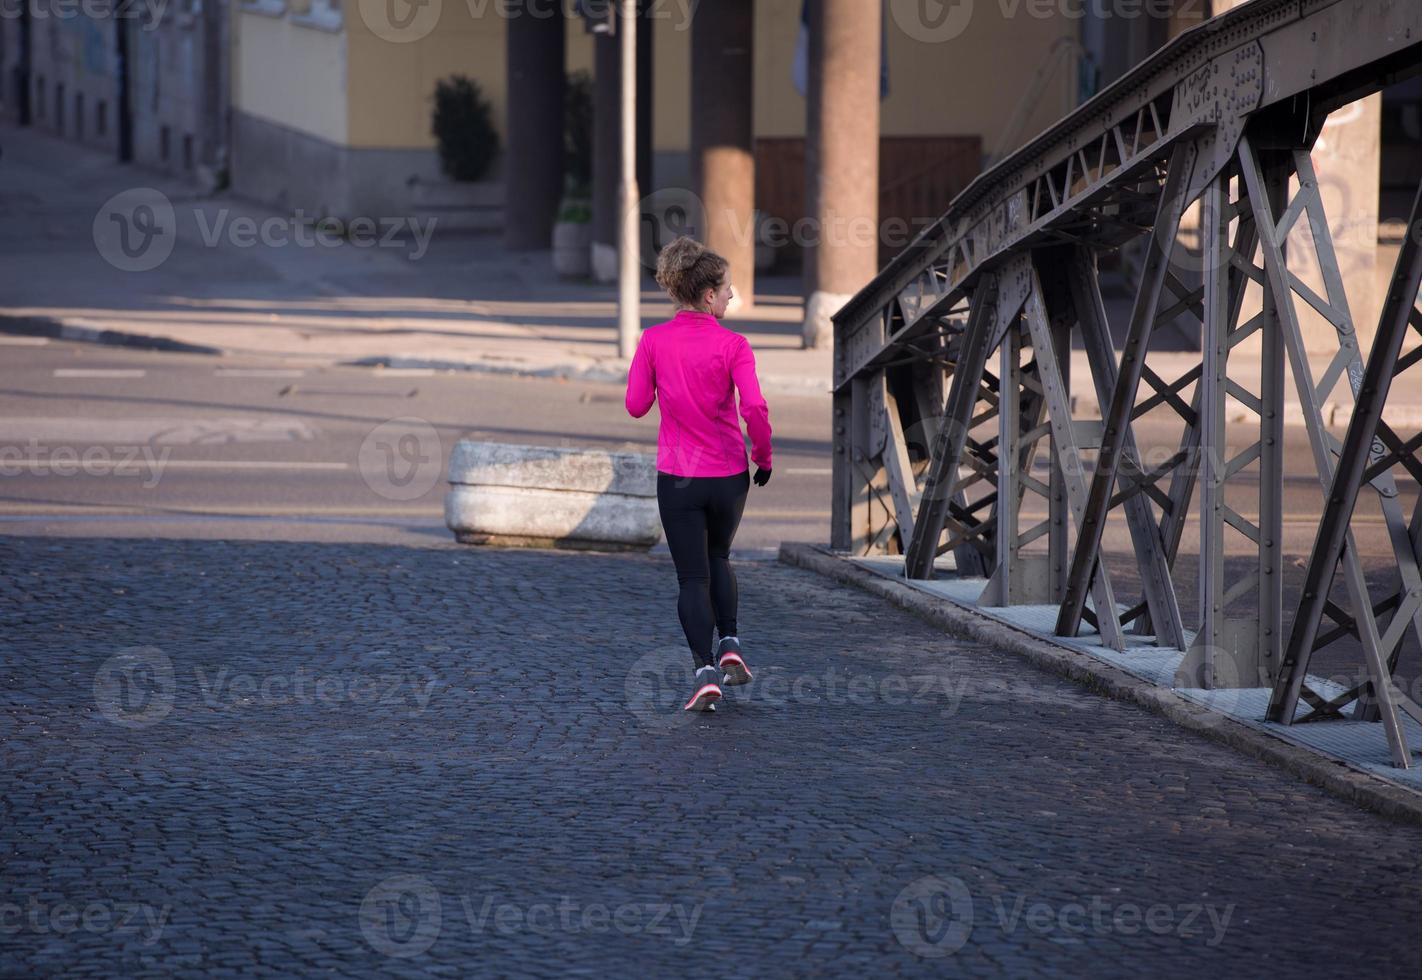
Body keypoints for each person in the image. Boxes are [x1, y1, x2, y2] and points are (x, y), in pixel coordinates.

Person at [625, 235, 773, 713]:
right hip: (730, 473)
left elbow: (635, 405)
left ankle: (705, 670)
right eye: (728, 288)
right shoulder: (734, 345)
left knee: (692, 578)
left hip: (679, 477)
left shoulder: (653, 341)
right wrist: (764, 456)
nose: (732, 295)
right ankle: (731, 642)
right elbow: (753, 406)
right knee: (720, 559)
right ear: (708, 295)